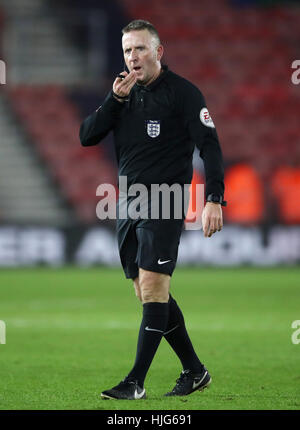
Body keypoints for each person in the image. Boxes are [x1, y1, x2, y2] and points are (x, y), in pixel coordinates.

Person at [79, 19, 226, 400]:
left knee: (154, 286)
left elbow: (209, 145)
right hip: (128, 201)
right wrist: (114, 100)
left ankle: (135, 382)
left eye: (140, 48)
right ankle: (195, 370)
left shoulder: (183, 94)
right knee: (146, 294)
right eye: (128, 50)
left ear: (158, 52)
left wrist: (213, 199)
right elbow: (86, 136)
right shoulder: (122, 95)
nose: (133, 57)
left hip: (165, 199)